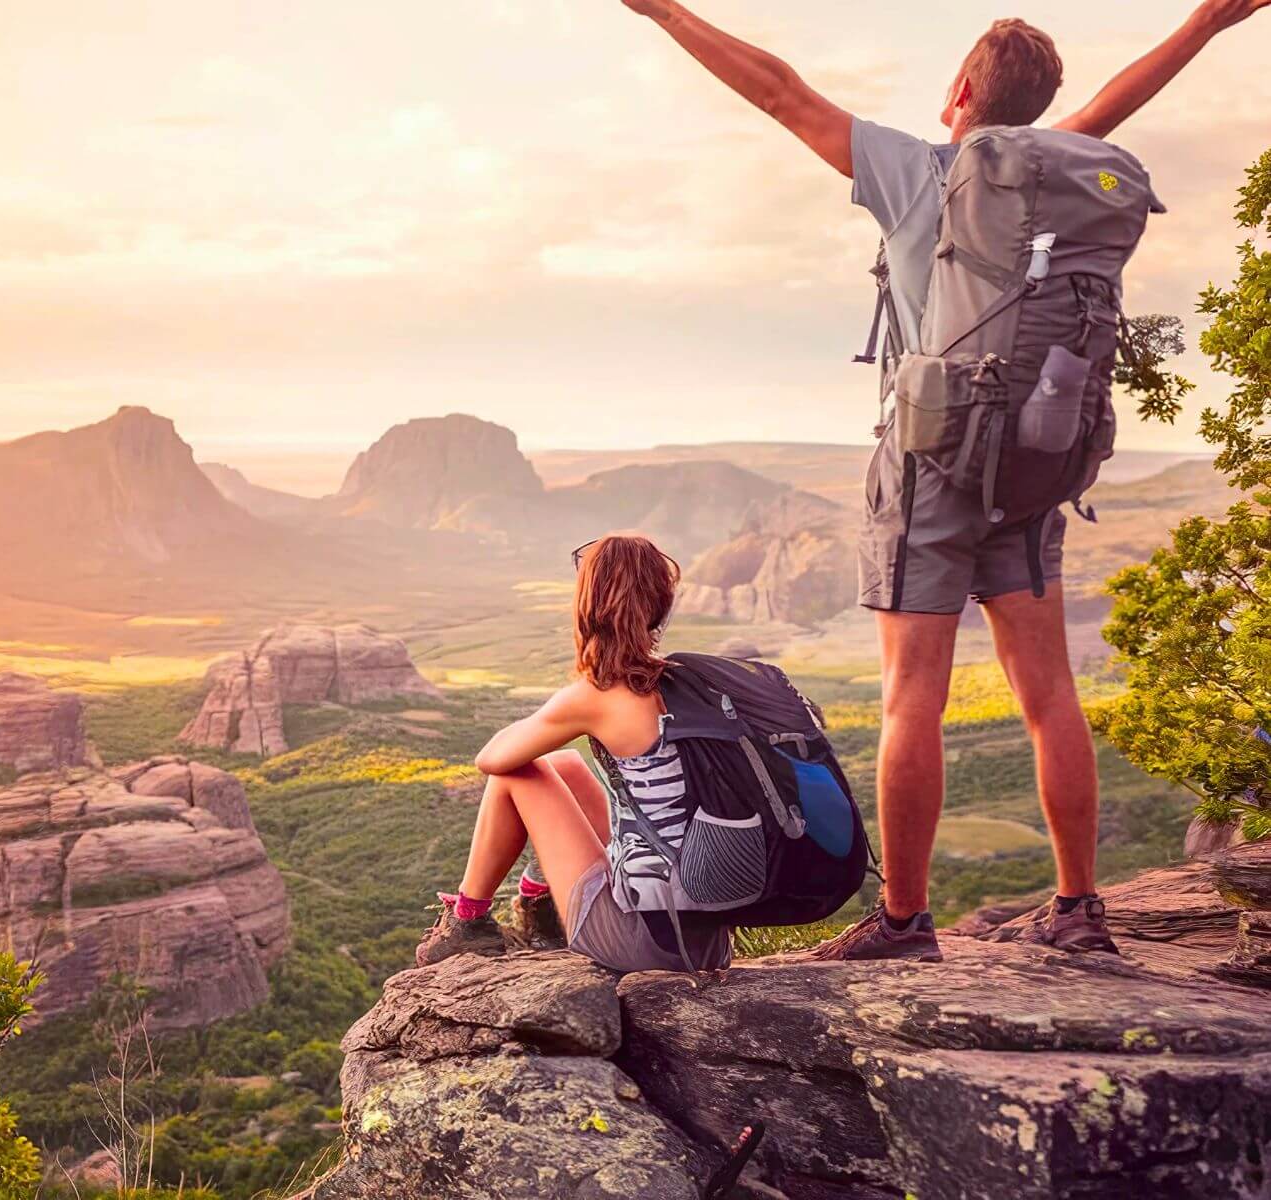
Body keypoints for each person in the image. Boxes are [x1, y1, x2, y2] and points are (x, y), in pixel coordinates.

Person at [617, 0, 1269, 960]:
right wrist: (1205, 25)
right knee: (1048, 692)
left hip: (929, 461)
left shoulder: (923, 170)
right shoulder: (1048, 173)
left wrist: (662, 8)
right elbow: (1111, 106)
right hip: (1038, 459)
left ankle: (904, 920)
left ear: (960, 94)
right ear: (1042, 111)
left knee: (912, 694)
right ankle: (1081, 909)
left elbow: (776, 91)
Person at [417, 534, 734, 973]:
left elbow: (492, 759)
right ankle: (537, 897)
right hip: (707, 942)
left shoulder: (598, 694)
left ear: (590, 603)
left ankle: (466, 921)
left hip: (643, 946)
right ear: (660, 602)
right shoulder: (689, 681)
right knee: (563, 763)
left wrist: (547, 716)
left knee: (517, 775)